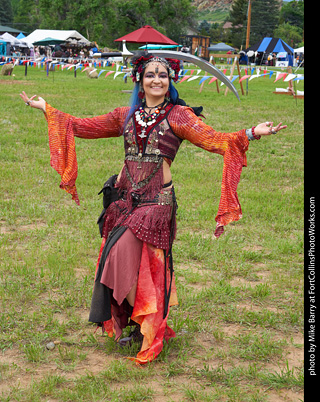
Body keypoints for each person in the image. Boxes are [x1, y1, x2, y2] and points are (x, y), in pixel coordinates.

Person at [19, 52, 287, 365]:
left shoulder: (179, 116)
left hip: (157, 200)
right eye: (150, 74)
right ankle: (139, 323)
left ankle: (151, 325)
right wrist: (46, 109)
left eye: (162, 74)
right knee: (123, 263)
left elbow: (216, 140)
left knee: (131, 258)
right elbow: (81, 126)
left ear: (170, 80)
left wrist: (252, 132)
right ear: (140, 80)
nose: (156, 79)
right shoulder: (126, 114)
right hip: (124, 198)